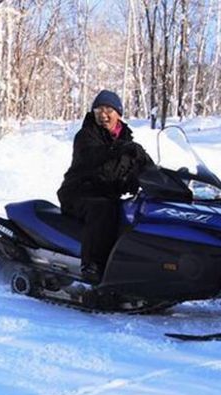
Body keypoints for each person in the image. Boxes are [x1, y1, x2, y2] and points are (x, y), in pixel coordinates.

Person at [57, 89, 153, 284]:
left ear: (118, 113)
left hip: (106, 194)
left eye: (109, 109)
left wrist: (160, 177)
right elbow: (93, 156)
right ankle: (92, 266)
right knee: (103, 209)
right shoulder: (86, 135)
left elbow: (144, 167)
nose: (103, 114)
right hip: (79, 193)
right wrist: (120, 149)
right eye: (99, 109)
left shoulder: (127, 141)